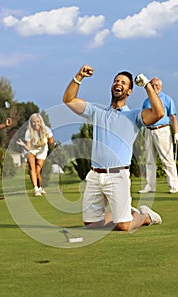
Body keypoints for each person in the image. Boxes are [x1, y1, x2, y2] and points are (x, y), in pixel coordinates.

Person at [63, 64, 165, 232]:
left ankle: (146, 216)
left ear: (129, 91)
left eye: (124, 83)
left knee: (124, 226)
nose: (119, 83)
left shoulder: (134, 116)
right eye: (116, 81)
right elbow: (69, 100)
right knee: (92, 226)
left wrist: (147, 85)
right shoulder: (97, 112)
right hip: (95, 176)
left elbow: (159, 113)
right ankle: (128, 211)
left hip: (118, 176)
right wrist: (78, 77)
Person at [138, 77, 178, 194]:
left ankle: (173, 185)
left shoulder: (167, 99)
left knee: (167, 159)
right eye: (152, 85)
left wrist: (176, 133)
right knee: (149, 160)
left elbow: (173, 117)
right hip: (148, 131)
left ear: (160, 86)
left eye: (157, 85)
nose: (154, 87)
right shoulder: (146, 101)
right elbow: (143, 117)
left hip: (162, 130)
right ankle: (150, 186)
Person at [16, 113, 55, 196]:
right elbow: (29, 148)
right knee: (32, 167)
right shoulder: (28, 132)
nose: (36, 123)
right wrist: (23, 145)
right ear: (31, 123)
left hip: (42, 151)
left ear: (41, 122)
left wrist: (54, 145)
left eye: (38, 121)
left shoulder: (47, 130)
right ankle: (36, 189)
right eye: (34, 122)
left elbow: (51, 142)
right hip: (31, 150)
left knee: (38, 171)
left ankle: (40, 187)